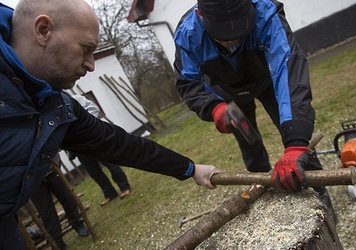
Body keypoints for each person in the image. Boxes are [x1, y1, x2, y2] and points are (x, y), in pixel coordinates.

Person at [0, 0, 222, 249]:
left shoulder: (53, 106)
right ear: (42, 30)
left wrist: (190, 168)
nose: (90, 64)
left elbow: (118, 144)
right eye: (84, 49)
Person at [173, 0, 336, 219]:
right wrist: (212, 106)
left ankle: (320, 192)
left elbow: (287, 68)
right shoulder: (188, 34)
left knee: (298, 139)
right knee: (249, 142)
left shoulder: (266, 14)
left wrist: (295, 142)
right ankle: (263, 187)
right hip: (228, 92)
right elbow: (188, 82)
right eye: (222, 32)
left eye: (241, 28)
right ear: (200, 15)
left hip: (268, 80)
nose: (232, 38)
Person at [69, 95, 132, 206]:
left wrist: (88, 128)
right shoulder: (51, 110)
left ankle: (124, 187)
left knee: (110, 163)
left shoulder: (74, 99)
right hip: (77, 145)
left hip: (93, 139)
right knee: (94, 172)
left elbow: (93, 108)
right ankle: (109, 193)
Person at [30, 153, 89, 249]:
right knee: (46, 212)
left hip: (50, 168)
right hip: (31, 179)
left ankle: (78, 225)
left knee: (67, 198)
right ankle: (57, 241)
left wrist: (54, 159)